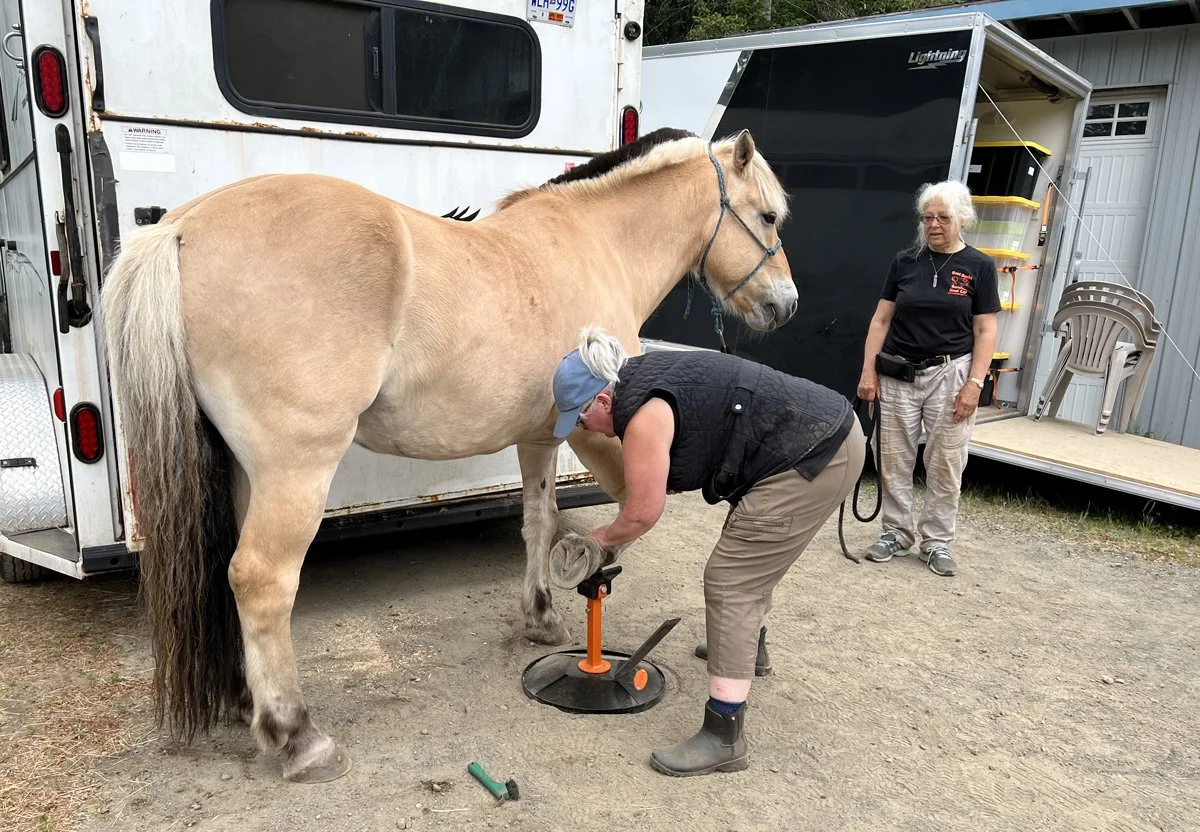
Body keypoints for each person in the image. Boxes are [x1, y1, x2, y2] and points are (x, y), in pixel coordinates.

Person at [548, 328, 865, 777]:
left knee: (732, 578)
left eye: (581, 420)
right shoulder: (643, 377)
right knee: (751, 551)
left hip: (814, 454)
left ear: (601, 400)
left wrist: (598, 539)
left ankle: (724, 735)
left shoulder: (641, 418)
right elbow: (698, 431)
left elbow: (642, 514)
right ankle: (748, 650)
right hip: (826, 432)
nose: (585, 429)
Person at [857, 180, 1000, 577]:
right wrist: (868, 371)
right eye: (928, 217)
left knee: (946, 461)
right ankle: (895, 533)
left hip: (951, 373)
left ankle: (936, 541)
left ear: (963, 219)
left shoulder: (979, 266)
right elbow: (881, 320)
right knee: (891, 457)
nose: (934, 225)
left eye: (943, 217)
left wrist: (974, 384)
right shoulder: (905, 261)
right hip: (898, 372)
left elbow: (986, 330)